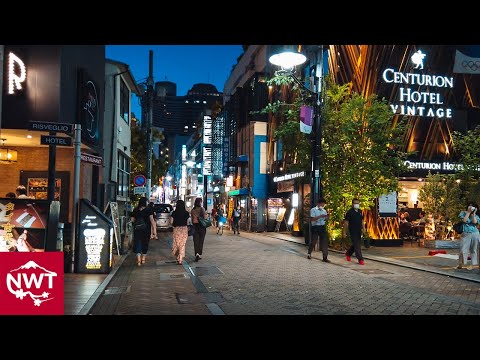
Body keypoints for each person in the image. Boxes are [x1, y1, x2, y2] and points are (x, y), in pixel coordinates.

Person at [130, 197, 156, 266]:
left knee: (138, 243)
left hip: (137, 230)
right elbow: (152, 221)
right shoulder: (148, 210)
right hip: (146, 230)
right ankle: (143, 259)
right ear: (145, 202)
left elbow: (132, 220)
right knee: (145, 243)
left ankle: (138, 260)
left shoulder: (135, 210)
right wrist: (154, 232)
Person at [456, 202, 480, 270]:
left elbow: (475, 222)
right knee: (462, 249)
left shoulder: (477, 215)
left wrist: (473, 214)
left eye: (472, 207)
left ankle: (473, 264)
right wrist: (468, 212)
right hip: (466, 233)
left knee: (473, 249)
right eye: (469, 206)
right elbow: (464, 220)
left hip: (475, 233)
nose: (471, 207)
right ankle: (461, 263)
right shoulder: (463, 213)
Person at [343, 198, 366, 265]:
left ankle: (348, 253)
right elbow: (346, 222)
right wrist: (344, 232)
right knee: (357, 245)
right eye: (355, 203)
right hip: (352, 230)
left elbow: (362, 221)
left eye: (358, 203)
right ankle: (360, 259)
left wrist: (364, 229)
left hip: (359, 230)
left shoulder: (360, 211)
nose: (356, 204)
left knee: (356, 244)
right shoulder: (349, 212)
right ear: (352, 204)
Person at [308, 198, 330, 262]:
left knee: (324, 242)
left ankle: (325, 257)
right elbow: (312, 219)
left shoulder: (324, 210)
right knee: (313, 241)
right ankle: (309, 253)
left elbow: (325, 219)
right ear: (318, 203)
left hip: (322, 227)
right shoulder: (313, 210)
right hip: (315, 227)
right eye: (322, 205)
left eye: (323, 205)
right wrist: (320, 216)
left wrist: (327, 217)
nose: (323, 206)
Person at [170, 200, 190, 265]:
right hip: (184, 229)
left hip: (176, 229)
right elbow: (187, 222)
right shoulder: (186, 213)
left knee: (177, 243)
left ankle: (178, 256)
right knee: (182, 244)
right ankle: (180, 258)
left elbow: (171, 222)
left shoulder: (174, 213)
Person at [191, 197, 207, 262]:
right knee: (201, 241)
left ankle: (196, 253)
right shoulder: (202, 209)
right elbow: (205, 217)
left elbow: (192, 219)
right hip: (202, 226)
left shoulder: (193, 210)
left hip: (195, 226)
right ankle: (199, 253)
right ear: (200, 202)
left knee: (196, 241)